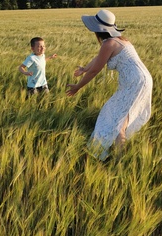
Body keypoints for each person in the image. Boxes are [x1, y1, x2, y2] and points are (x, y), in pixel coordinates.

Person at [66, 9, 153, 161]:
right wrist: (84, 68)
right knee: (116, 115)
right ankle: (119, 155)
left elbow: (95, 71)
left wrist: (78, 87)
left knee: (117, 118)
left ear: (98, 30)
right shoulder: (119, 40)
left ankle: (118, 157)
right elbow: (99, 59)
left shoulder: (110, 44)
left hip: (135, 83)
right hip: (142, 80)